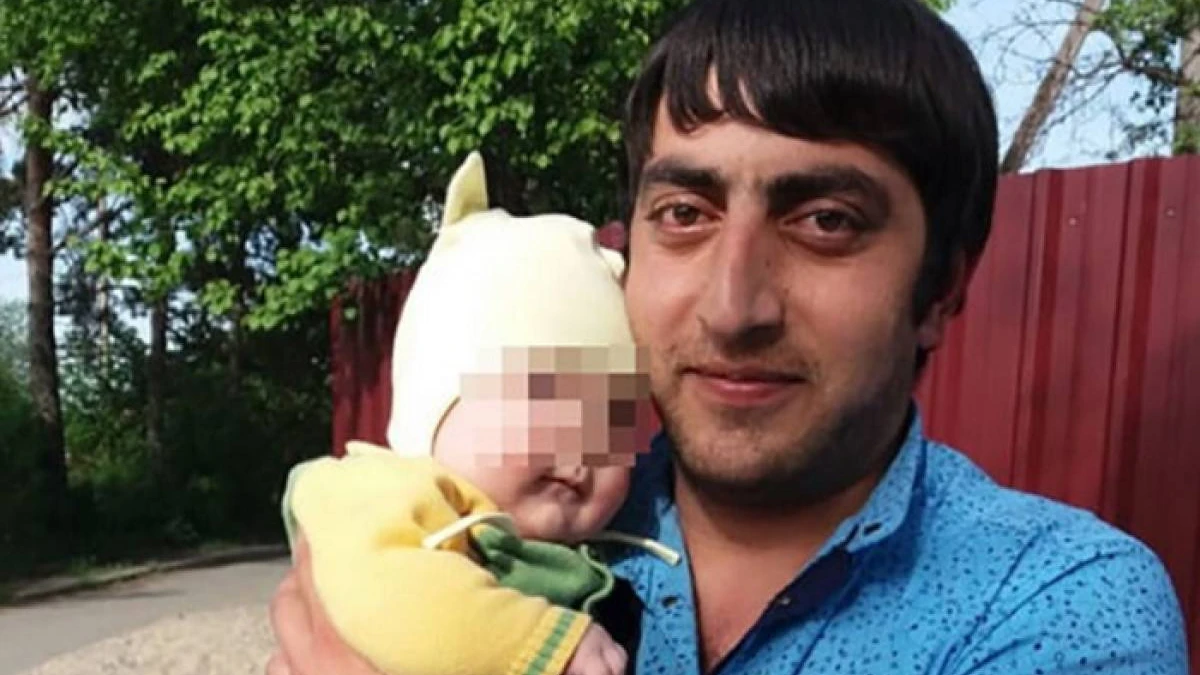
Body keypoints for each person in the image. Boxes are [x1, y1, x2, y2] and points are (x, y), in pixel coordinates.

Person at [267, 0, 1190, 673]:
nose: (731, 305)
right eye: (684, 212)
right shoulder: (498, 521)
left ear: (941, 289)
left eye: (825, 220)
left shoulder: (1057, 601)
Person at [280, 152, 674, 675]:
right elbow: (386, 598)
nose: (580, 456)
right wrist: (541, 641)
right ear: (436, 402)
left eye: (608, 421)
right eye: (547, 400)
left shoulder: (616, 544)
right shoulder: (378, 492)